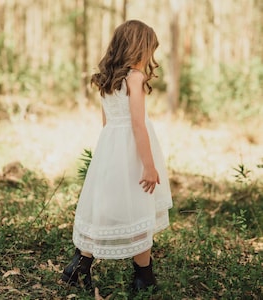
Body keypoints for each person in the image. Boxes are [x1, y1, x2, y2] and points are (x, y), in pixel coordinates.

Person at [62, 19, 172, 293]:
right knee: (139, 208)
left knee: (103, 209)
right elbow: (137, 124)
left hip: (110, 149)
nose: (150, 57)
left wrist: (109, 157)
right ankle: (143, 277)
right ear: (138, 48)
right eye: (149, 49)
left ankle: (78, 267)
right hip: (134, 152)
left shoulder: (107, 78)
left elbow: (107, 123)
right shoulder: (135, 77)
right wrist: (148, 165)